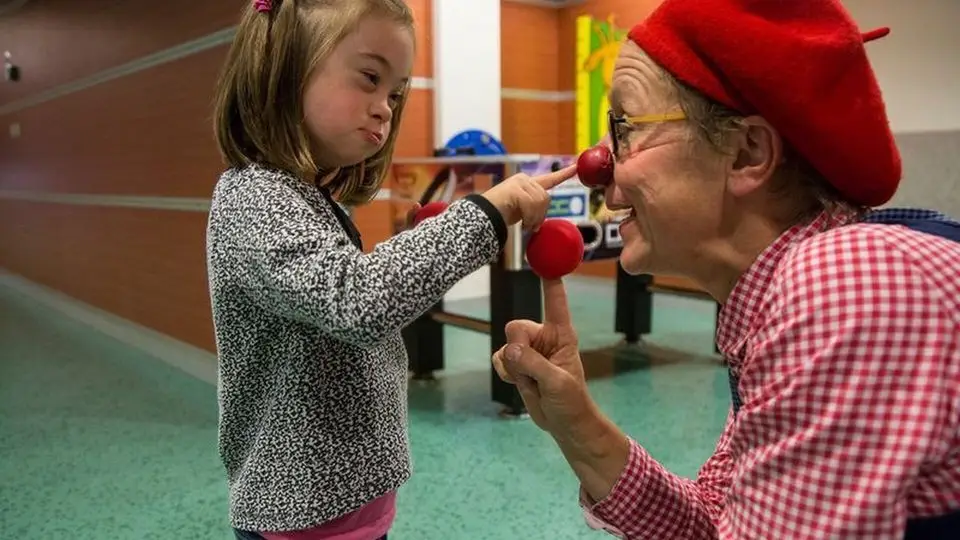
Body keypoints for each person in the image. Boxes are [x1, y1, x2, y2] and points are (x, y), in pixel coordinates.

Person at [492, 0, 960, 538]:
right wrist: (576, 421)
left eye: (624, 126)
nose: (595, 165)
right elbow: (717, 520)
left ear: (746, 154)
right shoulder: (770, 305)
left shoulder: (842, 287)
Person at [206, 1, 575, 539]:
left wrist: (424, 239)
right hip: (302, 512)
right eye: (369, 78)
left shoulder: (307, 196)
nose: (384, 108)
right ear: (286, 71)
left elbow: (339, 294)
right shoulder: (253, 198)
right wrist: (487, 213)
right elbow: (357, 300)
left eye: (396, 94)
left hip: (348, 498)